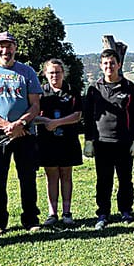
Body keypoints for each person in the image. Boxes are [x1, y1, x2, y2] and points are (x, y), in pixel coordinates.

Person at [0, 31, 43, 237]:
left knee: (28, 178)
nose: (5, 50)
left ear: (15, 48)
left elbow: (35, 105)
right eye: (1, 46)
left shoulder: (27, 72)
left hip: (25, 133)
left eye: (9, 46)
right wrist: (6, 125)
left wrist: (20, 123)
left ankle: (31, 219)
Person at [83, 49, 134, 230]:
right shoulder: (94, 89)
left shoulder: (129, 87)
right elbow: (88, 116)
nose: (109, 66)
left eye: (112, 63)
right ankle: (103, 213)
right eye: (105, 63)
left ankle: (126, 211)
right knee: (103, 180)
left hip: (124, 142)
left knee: (125, 179)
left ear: (119, 64)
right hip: (102, 143)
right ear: (101, 66)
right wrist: (88, 141)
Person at [37, 59, 83, 228]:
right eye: (51, 73)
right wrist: (45, 121)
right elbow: (33, 116)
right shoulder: (40, 92)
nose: (54, 76)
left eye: (57, 72)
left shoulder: (72, 91)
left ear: (63, 73)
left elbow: (77, 115)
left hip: (68, 140)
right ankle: (52, 213)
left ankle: (67, 212)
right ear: (45, 74)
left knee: (66, 175)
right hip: (47, 142)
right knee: (51, 177)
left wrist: (57, 123)